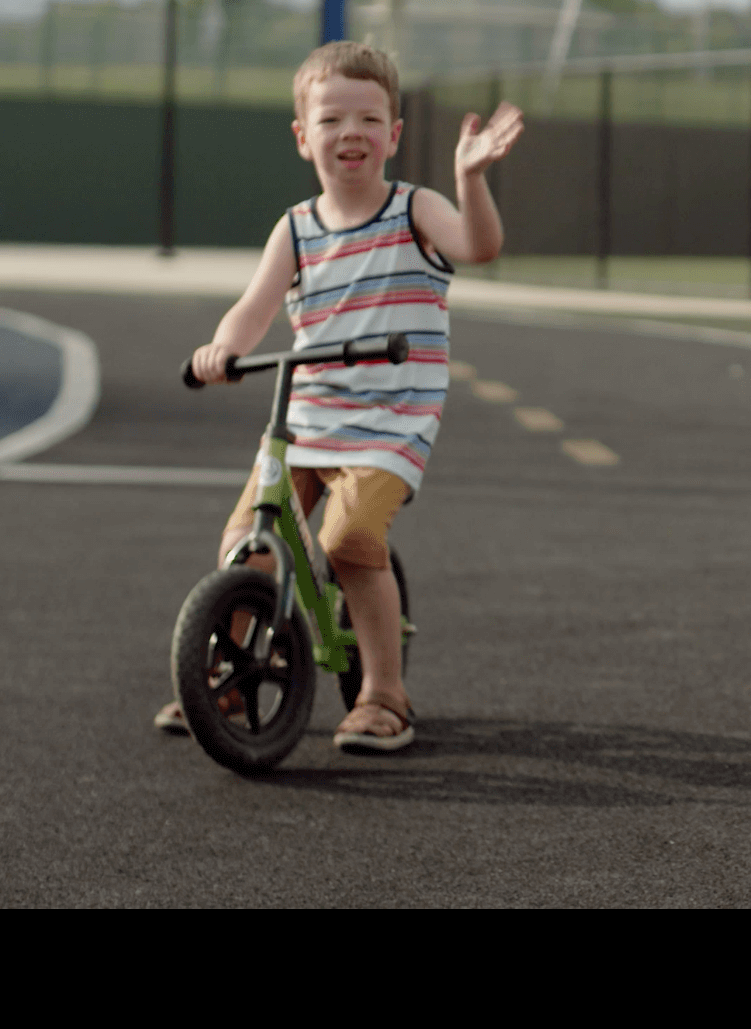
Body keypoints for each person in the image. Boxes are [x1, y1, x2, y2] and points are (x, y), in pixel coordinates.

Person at [156, 41, 524, 752]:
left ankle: (385, 693)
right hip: (306, 417)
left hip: (390, 422)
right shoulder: (294, 229)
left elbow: (479, 246)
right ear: (303, 137)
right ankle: (227, 681)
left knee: (350, 541)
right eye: (330, 119)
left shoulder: (415, 211)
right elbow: (252, 309)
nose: (349, 132)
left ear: (394, 134)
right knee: (245, 543)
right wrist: (223, 350)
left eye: (368, 118)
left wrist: (470, 179)